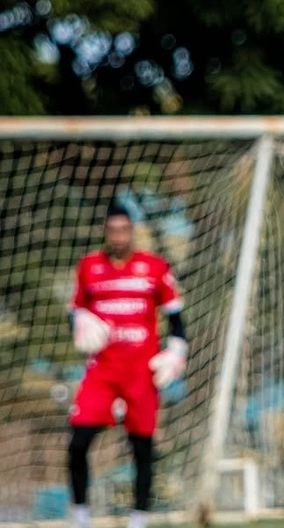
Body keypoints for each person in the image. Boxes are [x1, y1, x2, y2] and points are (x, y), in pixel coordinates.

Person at [67, 204, 188, 528]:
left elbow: (176, 320)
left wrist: (176, 351)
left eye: (124, 230)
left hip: (140, 372)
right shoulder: (89, 267)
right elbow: (76, 312)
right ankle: (80, 518)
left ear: (132, 231)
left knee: (142, 447)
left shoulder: (154, 267)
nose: (118, 237)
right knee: (78, 443)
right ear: (106, 232)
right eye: (112, 230)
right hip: (102, 372)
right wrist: (80, 322)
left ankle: (139, 520)